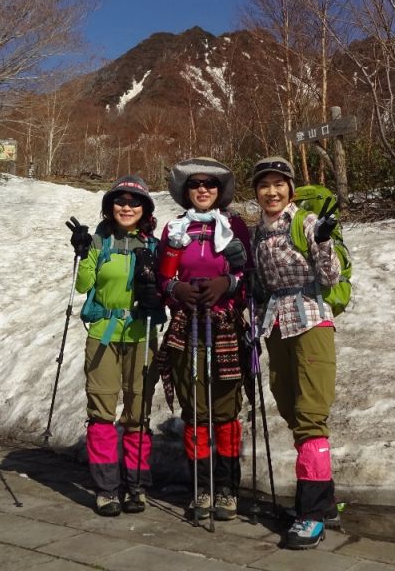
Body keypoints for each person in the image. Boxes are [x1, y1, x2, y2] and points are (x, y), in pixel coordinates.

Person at [249, 156, 341, 550]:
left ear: (290, 187)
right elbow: (260, 285)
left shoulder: (304, 223)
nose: (272, 191)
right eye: (264, 185)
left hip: (310, 320)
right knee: (290, 407)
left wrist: (323, 241)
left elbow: (330, 277)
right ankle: (326, 503)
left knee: (310, 415)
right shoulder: (258, 233)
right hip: (276, 324)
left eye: (278, 184)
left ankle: (312, 512)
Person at [155, 157, 251, 522]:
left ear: (219, 190)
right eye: (195, 185)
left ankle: (227, 488)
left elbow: (249, 274)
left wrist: (228, 283)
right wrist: (176, 288)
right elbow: (163, 280)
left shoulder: (234, 227)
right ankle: (202, 486)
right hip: (187, 325)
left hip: (224, 325)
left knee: (225, 409)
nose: (203, 190)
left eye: (210, 184)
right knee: (195, 409)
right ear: (186, 191)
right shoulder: (175, 230)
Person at [68, 175, 165, 517]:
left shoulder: (154, 245)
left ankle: (136, 485)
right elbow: (83, 286)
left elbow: (167, 286)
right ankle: (107, 488)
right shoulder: (99, 241)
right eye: (120, 201)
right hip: (103, 335)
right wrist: (82, 251)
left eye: (134, 201)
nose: (127, 206)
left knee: (138, 412)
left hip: (142, 334)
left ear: (145, 209)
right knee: (102, 412)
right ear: (110, 207)